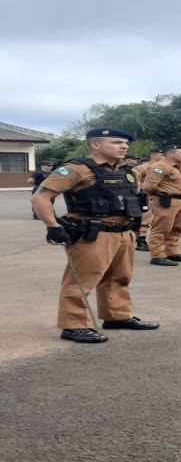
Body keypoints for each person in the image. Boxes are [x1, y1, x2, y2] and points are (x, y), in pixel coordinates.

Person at [31, 128, 158, 343]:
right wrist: (52, 226)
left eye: (125, 143)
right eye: (117, 142)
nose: (124, 146)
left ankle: (117, 316)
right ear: (95, 145)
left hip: (124, 231)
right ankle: (73, 325)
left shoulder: (129, 170)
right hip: (92, 233)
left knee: (119, 277)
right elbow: (40, 198)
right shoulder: (77, 169)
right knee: (81, 280)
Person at [142, 145, 181, 266]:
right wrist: (163, 194)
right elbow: (148, 187)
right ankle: (158, 256)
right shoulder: (159, 167)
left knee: (176, 228)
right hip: (166, 200)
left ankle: (173, 252)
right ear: (170, 154)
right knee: (161, 229)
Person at [132, 148, 164, 251]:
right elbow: (134, 176)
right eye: (161, 155)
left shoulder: (164, 167)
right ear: (153, 156)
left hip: (160, 197)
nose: (164, 156)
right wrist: (138, 191)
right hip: (146, 196)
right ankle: (141, 241)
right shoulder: (144, 167)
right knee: (145, 219)